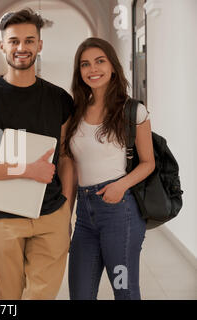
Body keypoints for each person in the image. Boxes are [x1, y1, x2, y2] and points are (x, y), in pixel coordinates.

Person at [0, 9, 74, 300]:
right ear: (2, 45)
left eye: (28, 40)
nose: (21, 48)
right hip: (3, 217)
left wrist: (66, 212)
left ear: (39, 45)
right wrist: (26, 169)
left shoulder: (59, 99)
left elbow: (64, 157)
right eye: (13, 41)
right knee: (9, 296)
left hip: (51, 214)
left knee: (42, 296)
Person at [63, 37, 155, 300]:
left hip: (120, 212)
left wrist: (120, 186)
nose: (93, 69)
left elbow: (149, 162)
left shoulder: (133, 111)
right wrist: (66, 217)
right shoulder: (75, 112)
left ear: (113, 66)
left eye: (100, 61)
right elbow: (70, 166)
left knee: (124, 289)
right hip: (84, 214)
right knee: (80, 294)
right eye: (85, 64)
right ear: (79, 72)